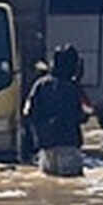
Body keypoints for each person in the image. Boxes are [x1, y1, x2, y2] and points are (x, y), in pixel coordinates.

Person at [23, 45, 87, 177]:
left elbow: (28, 112)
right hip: (69, 144)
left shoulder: (40, 85)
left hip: (46, 147)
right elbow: (82, 115)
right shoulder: (73, 88)